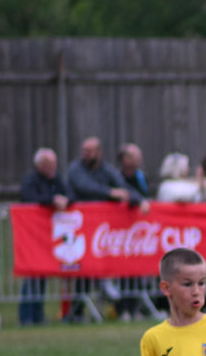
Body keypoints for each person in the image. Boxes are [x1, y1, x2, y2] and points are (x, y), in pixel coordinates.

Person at [14, 148, 67, 326]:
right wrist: (52, 200)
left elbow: (70, 193)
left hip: (48, 236)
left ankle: (38, 314)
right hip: (31, 235)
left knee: (42, 273)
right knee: (32, 274)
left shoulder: (57, 179)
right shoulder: (31, 180)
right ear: (40, 165)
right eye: (49, 164)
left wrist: (65, 200)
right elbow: (29, 197)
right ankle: (26, 316)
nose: (53, 168)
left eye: (54, 164)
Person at [63, 137, 137, 208]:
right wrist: (110, 192)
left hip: (103, 216)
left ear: (99, 152)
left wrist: (139, 199)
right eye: (84, 151)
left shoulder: (107, 169)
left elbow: (122, 184)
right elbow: (85, 187)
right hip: (81, 215)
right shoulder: (75, 168)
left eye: (89, 151)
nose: (85, 154)